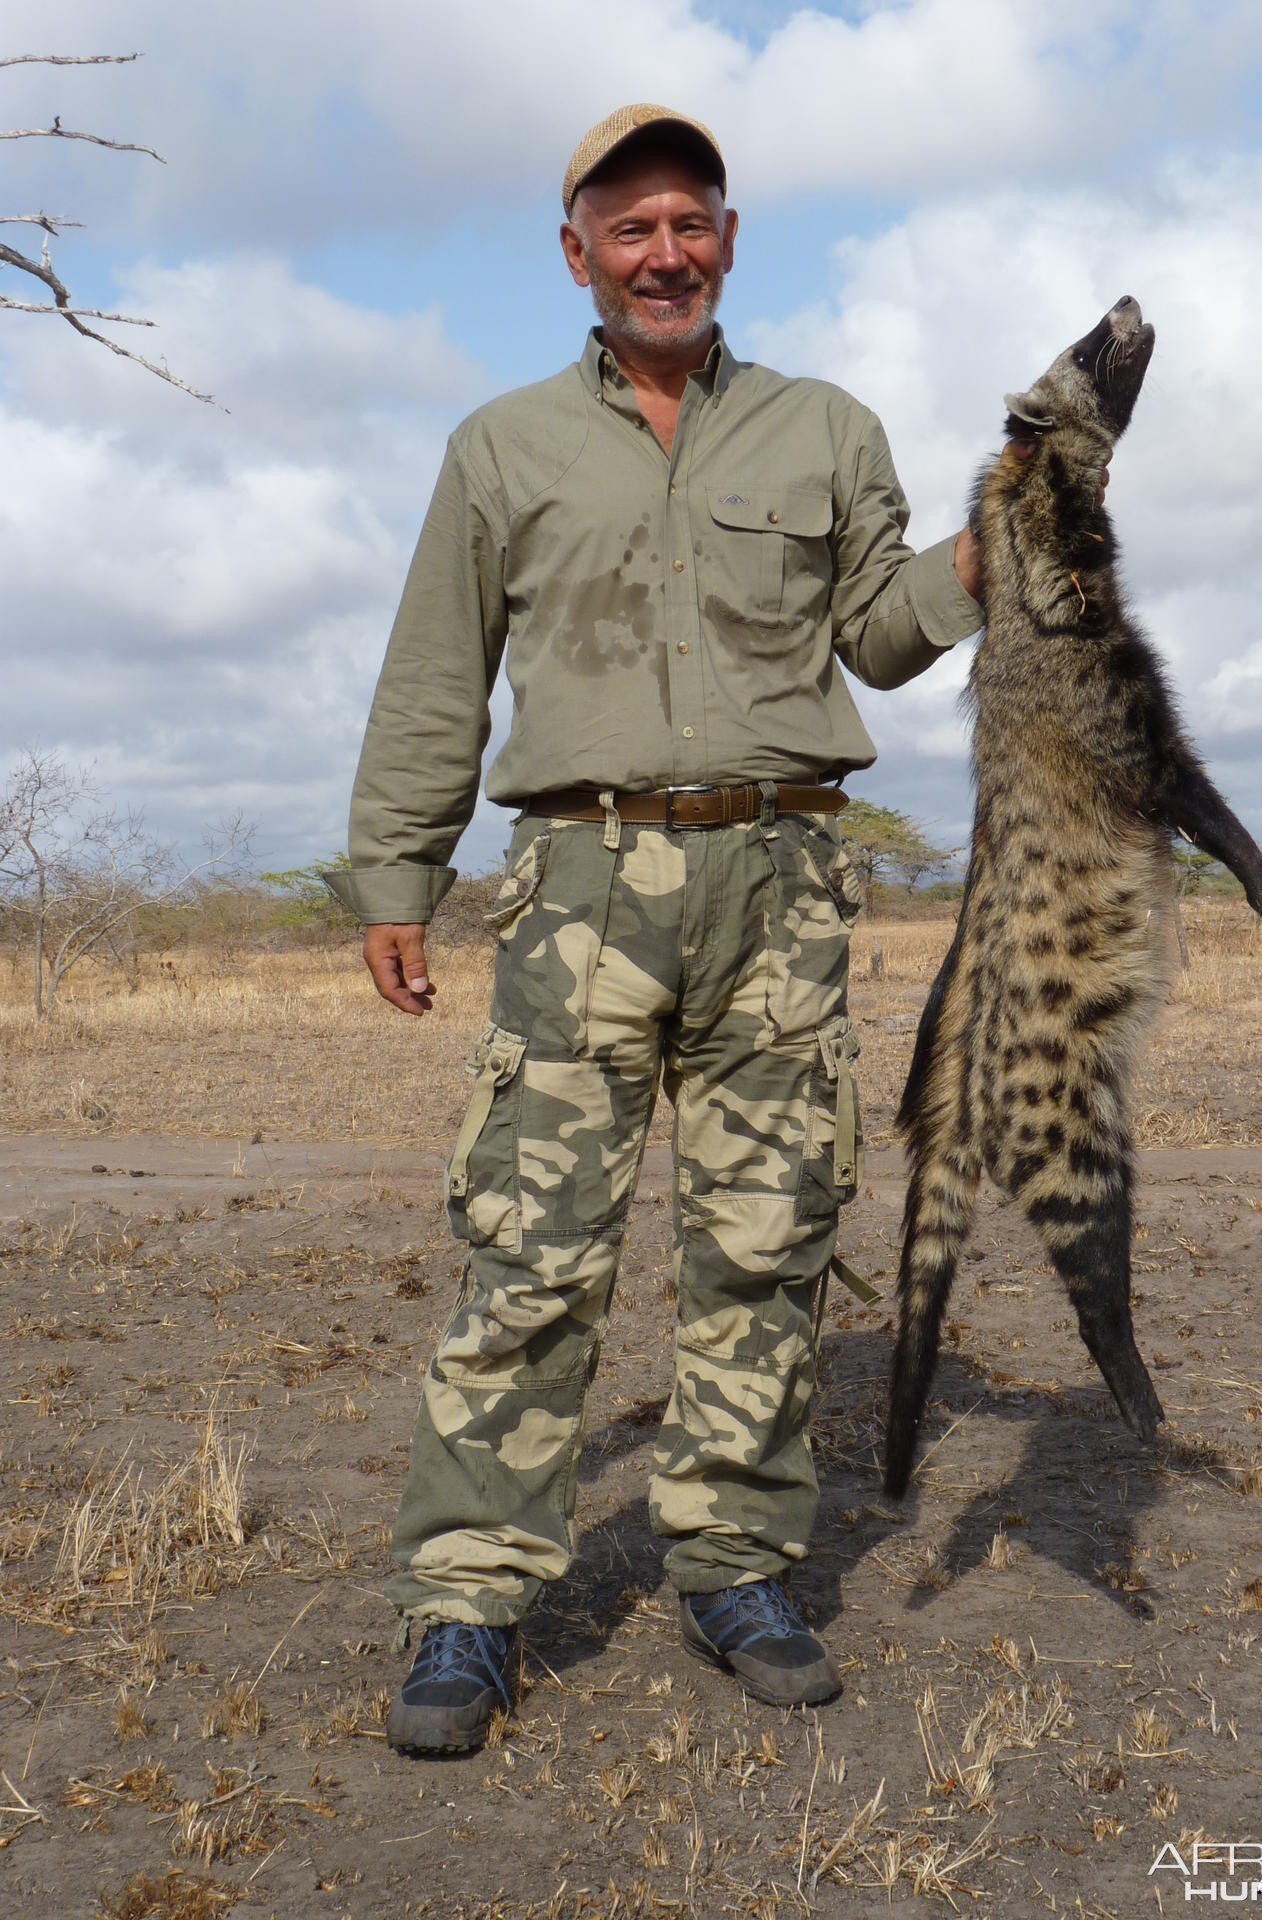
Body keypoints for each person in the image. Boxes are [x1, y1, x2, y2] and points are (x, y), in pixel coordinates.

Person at [321, 102, 1048, 1756]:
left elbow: (879, 637)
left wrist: (1000, 533)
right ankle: (468, 1600)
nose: (667, 252)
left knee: (767, 1240)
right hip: (577, 887)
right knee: (531, 1248)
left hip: (783, 886)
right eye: (631, 225)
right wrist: (397, 877)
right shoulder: (499, 446)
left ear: (730, 241)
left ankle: (734, 1562)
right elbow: (437, 674)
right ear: (573, 249)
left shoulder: (825, 428)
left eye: (693, 222)